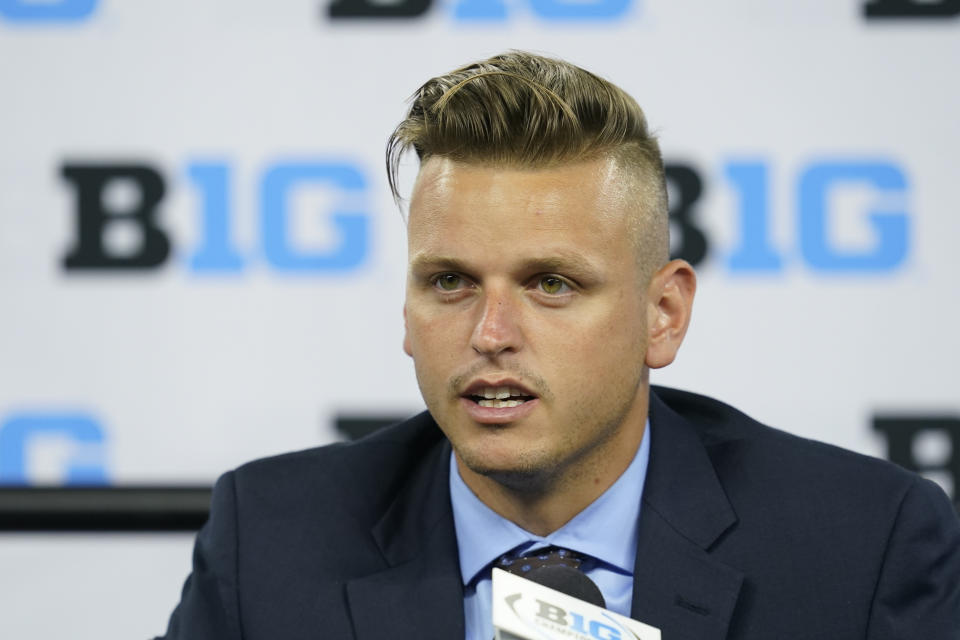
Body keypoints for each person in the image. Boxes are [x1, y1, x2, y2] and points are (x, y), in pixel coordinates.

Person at [157, 51, 960, 640]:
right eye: (449, 283)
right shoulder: (268, 540)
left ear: (664, 315)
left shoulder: (862, 547)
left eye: (552, 284)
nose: (490, 335)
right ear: (405, 309)